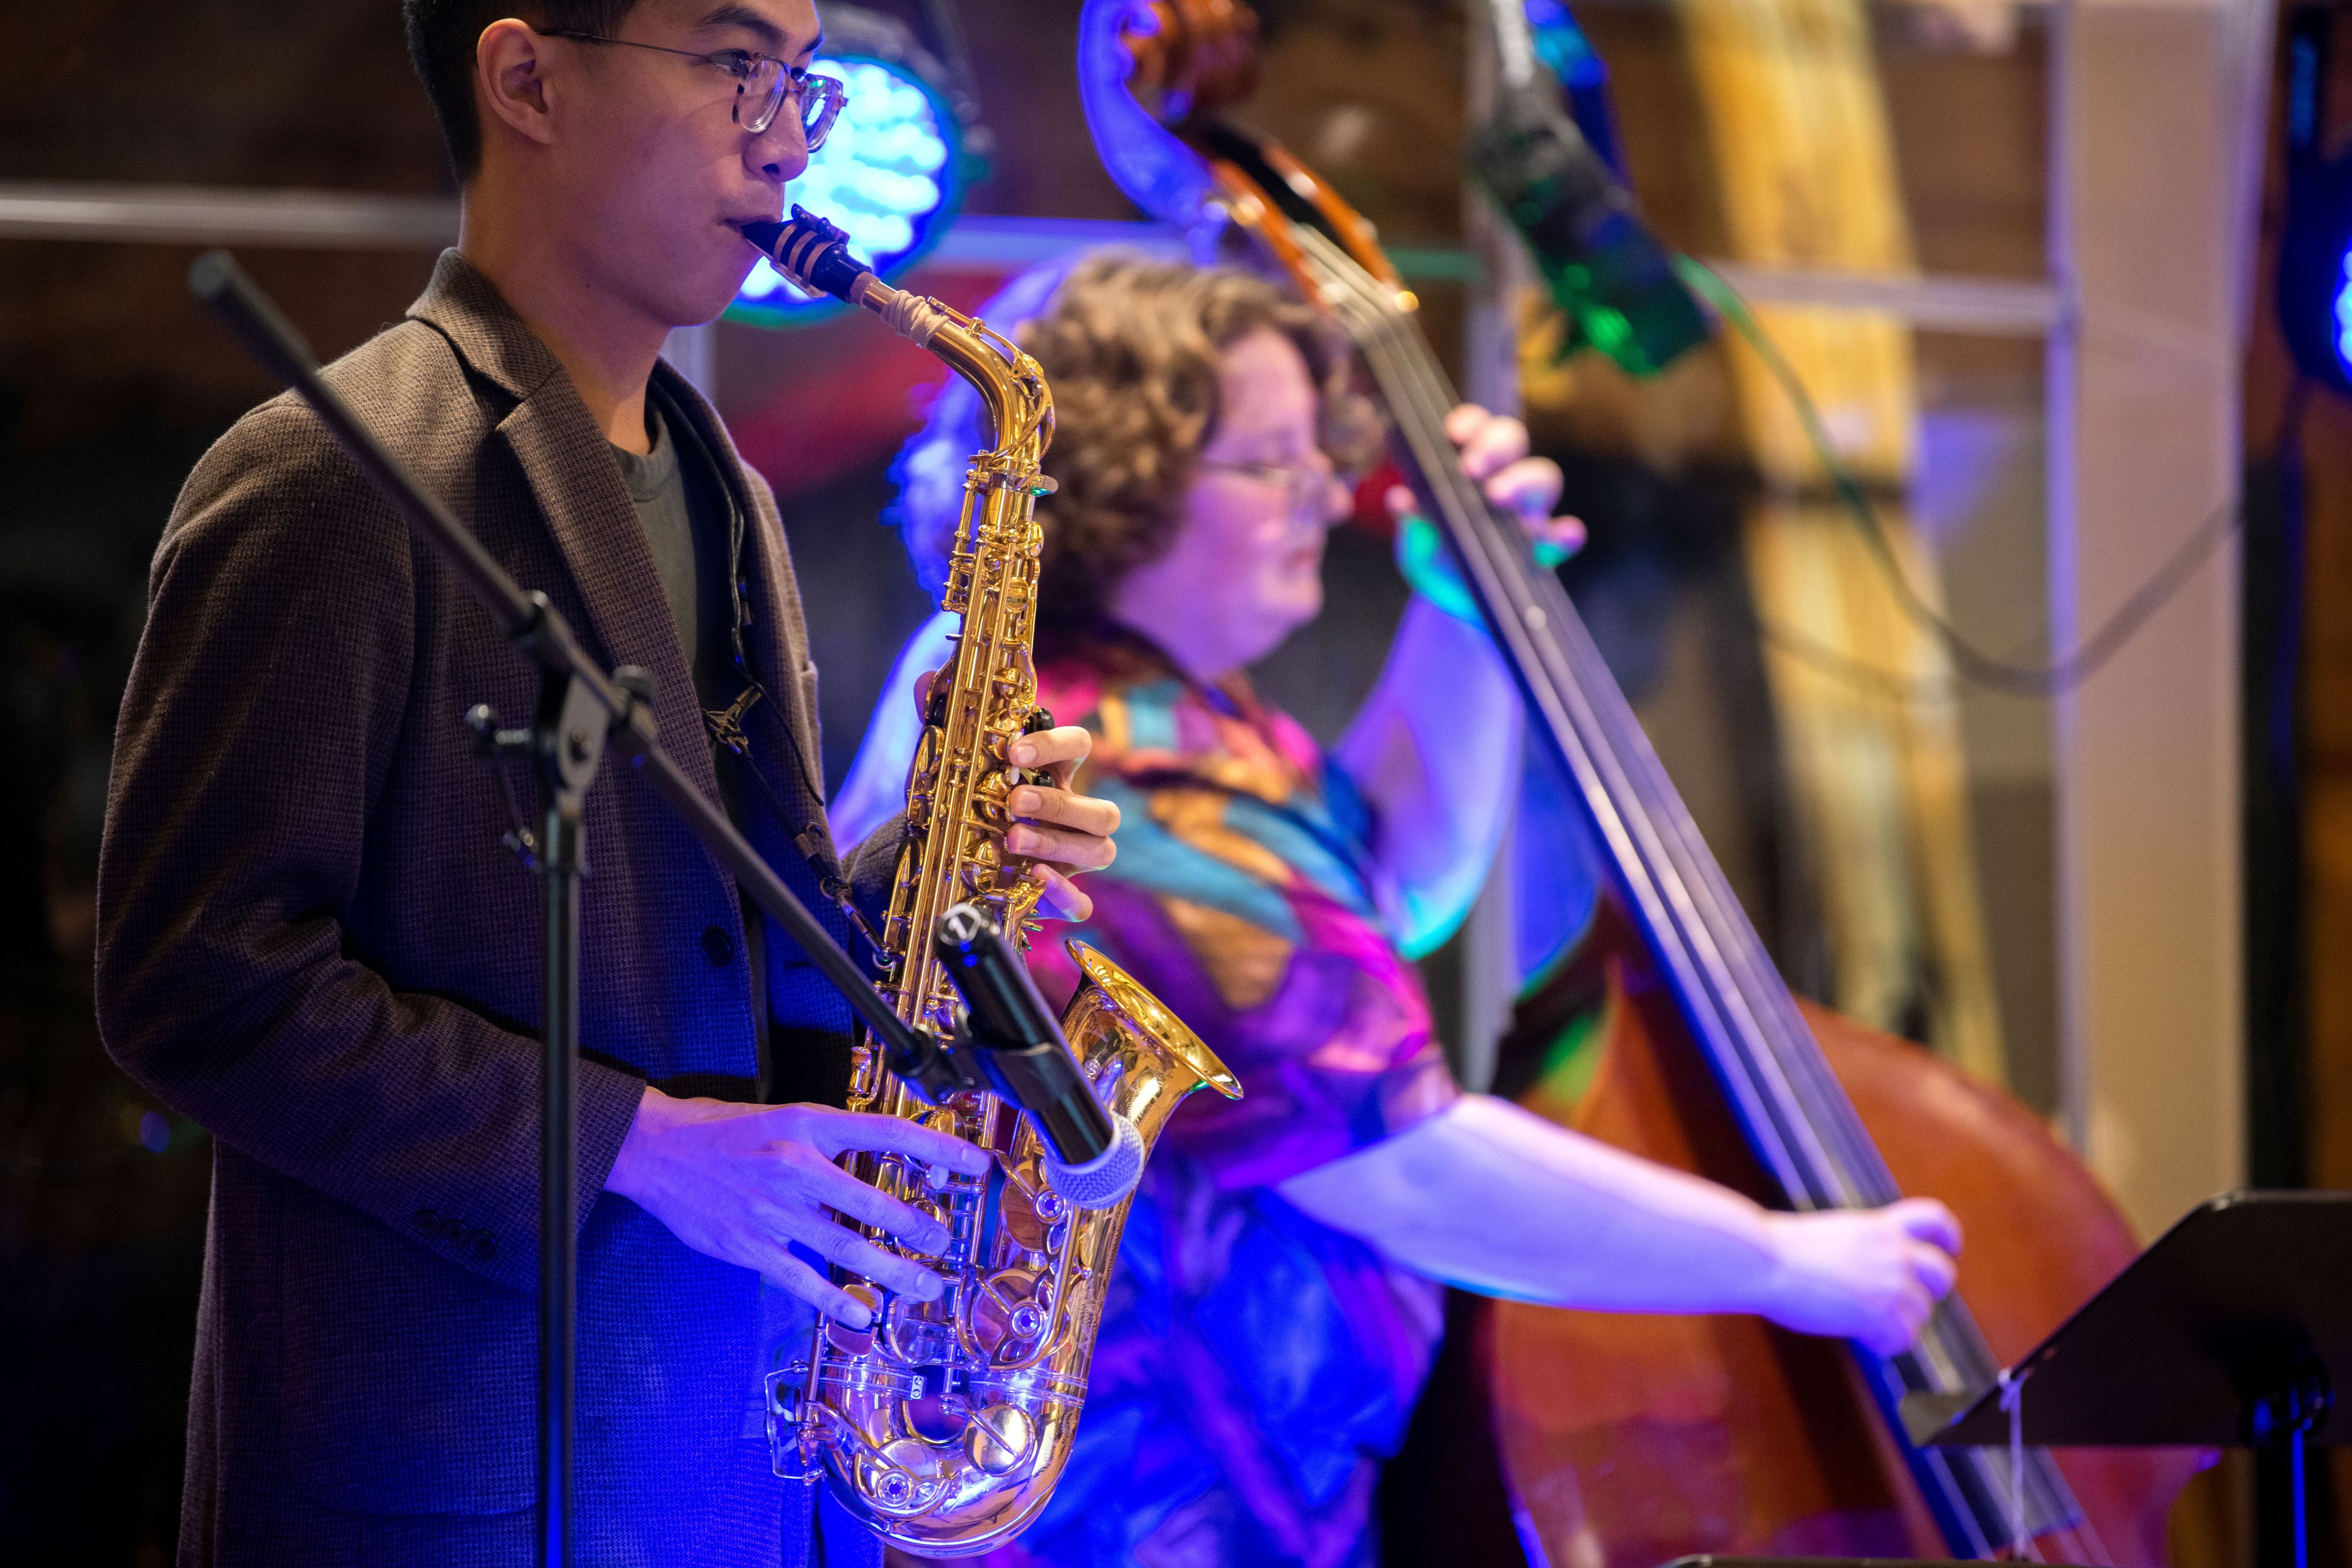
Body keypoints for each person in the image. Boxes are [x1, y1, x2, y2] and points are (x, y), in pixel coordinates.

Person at [91, 3, 1121, 1564]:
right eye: (735, 68)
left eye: (804, 85)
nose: (787, 144)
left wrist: (936, 864)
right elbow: (197, 981)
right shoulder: (327, 471)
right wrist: (637, 1142)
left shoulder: (730, 491)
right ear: (527, 78)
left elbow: (693, 934)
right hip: (457, 1483)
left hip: (729, 1460)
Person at [842, 255, 1963, 1568]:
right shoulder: (1112, 763)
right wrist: (1782, 1263)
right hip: (1124, 1516)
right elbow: (1397, 1157)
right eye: (1270, 462)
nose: (1326, 492)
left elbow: (1391, 882)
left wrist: (1463, 600)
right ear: (1119, 487)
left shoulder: (1178, 720)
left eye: (1318, 455)